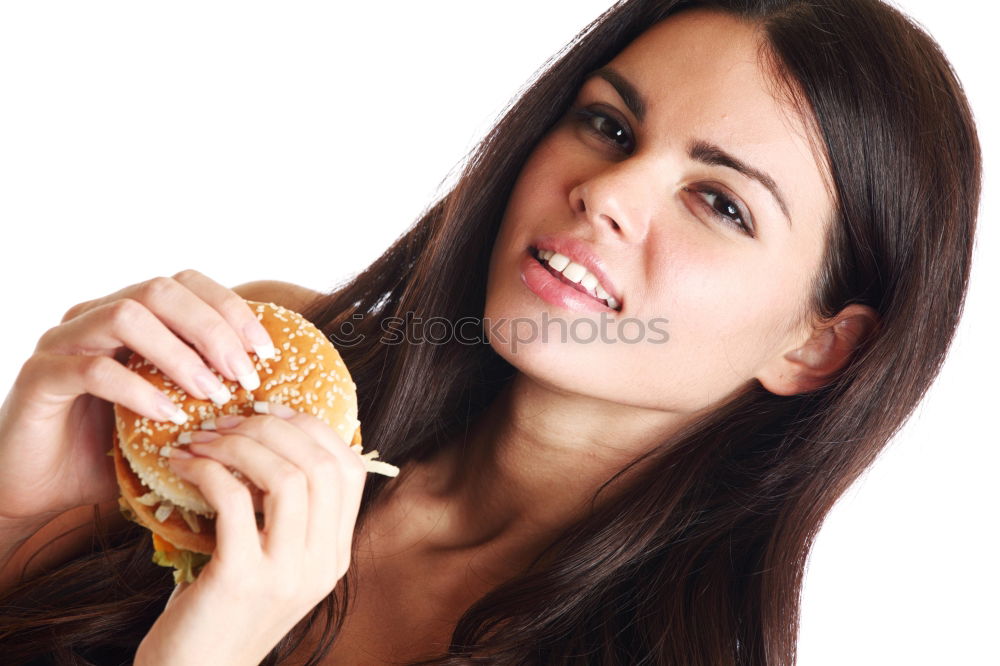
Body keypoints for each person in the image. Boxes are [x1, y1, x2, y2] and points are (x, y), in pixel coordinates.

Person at [0, 0, 981, 663]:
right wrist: (19, 518)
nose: (605, 193)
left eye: (719, 203)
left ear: (816, 347)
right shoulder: (256, 372)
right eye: (608, 126)